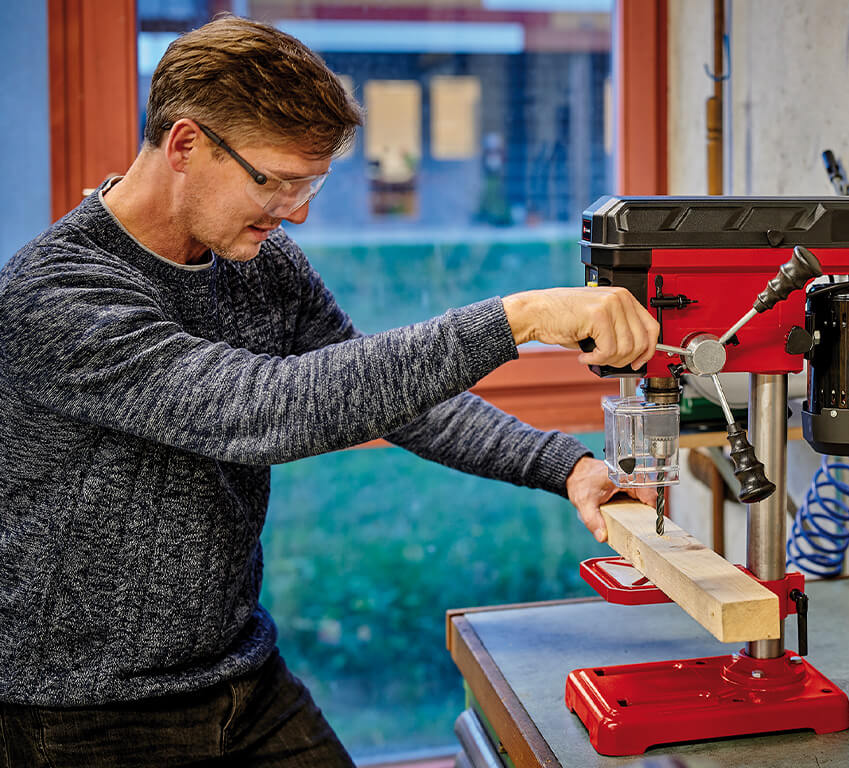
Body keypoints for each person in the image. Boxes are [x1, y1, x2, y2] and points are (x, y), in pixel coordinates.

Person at [0, 14, 661, 768]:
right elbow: (264, 409)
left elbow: (388, 392)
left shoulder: (259, 263)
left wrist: (563, 464)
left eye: (311, 182)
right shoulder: (57, 293)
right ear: (184, 144)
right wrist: (520, 318)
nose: (299, 211)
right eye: (277, 180)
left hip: (238, 672)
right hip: (79, 711)